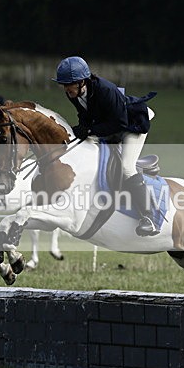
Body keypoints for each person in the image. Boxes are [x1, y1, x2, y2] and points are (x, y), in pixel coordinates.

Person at [52, 56, 159, 236]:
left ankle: (149, 217)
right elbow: (85, 116)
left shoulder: (106, 90)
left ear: (82, 82)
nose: (65, 88)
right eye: (63, 84)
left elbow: (120, 124)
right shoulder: (74, 93)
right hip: (112, 123)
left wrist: (90, 130)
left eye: (68, 84)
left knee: (126, 167)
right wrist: (82, 129)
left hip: (133, 123)